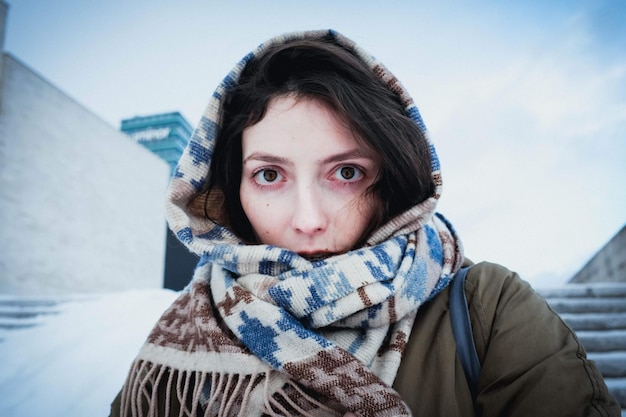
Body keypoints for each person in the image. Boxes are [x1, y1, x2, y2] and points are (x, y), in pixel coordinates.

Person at [110, 30, 619, 417]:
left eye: (346, 173)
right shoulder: (192, 323)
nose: (308, 220)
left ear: (395, 178)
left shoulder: (489, 309)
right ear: (229, 191)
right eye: (269, 175)